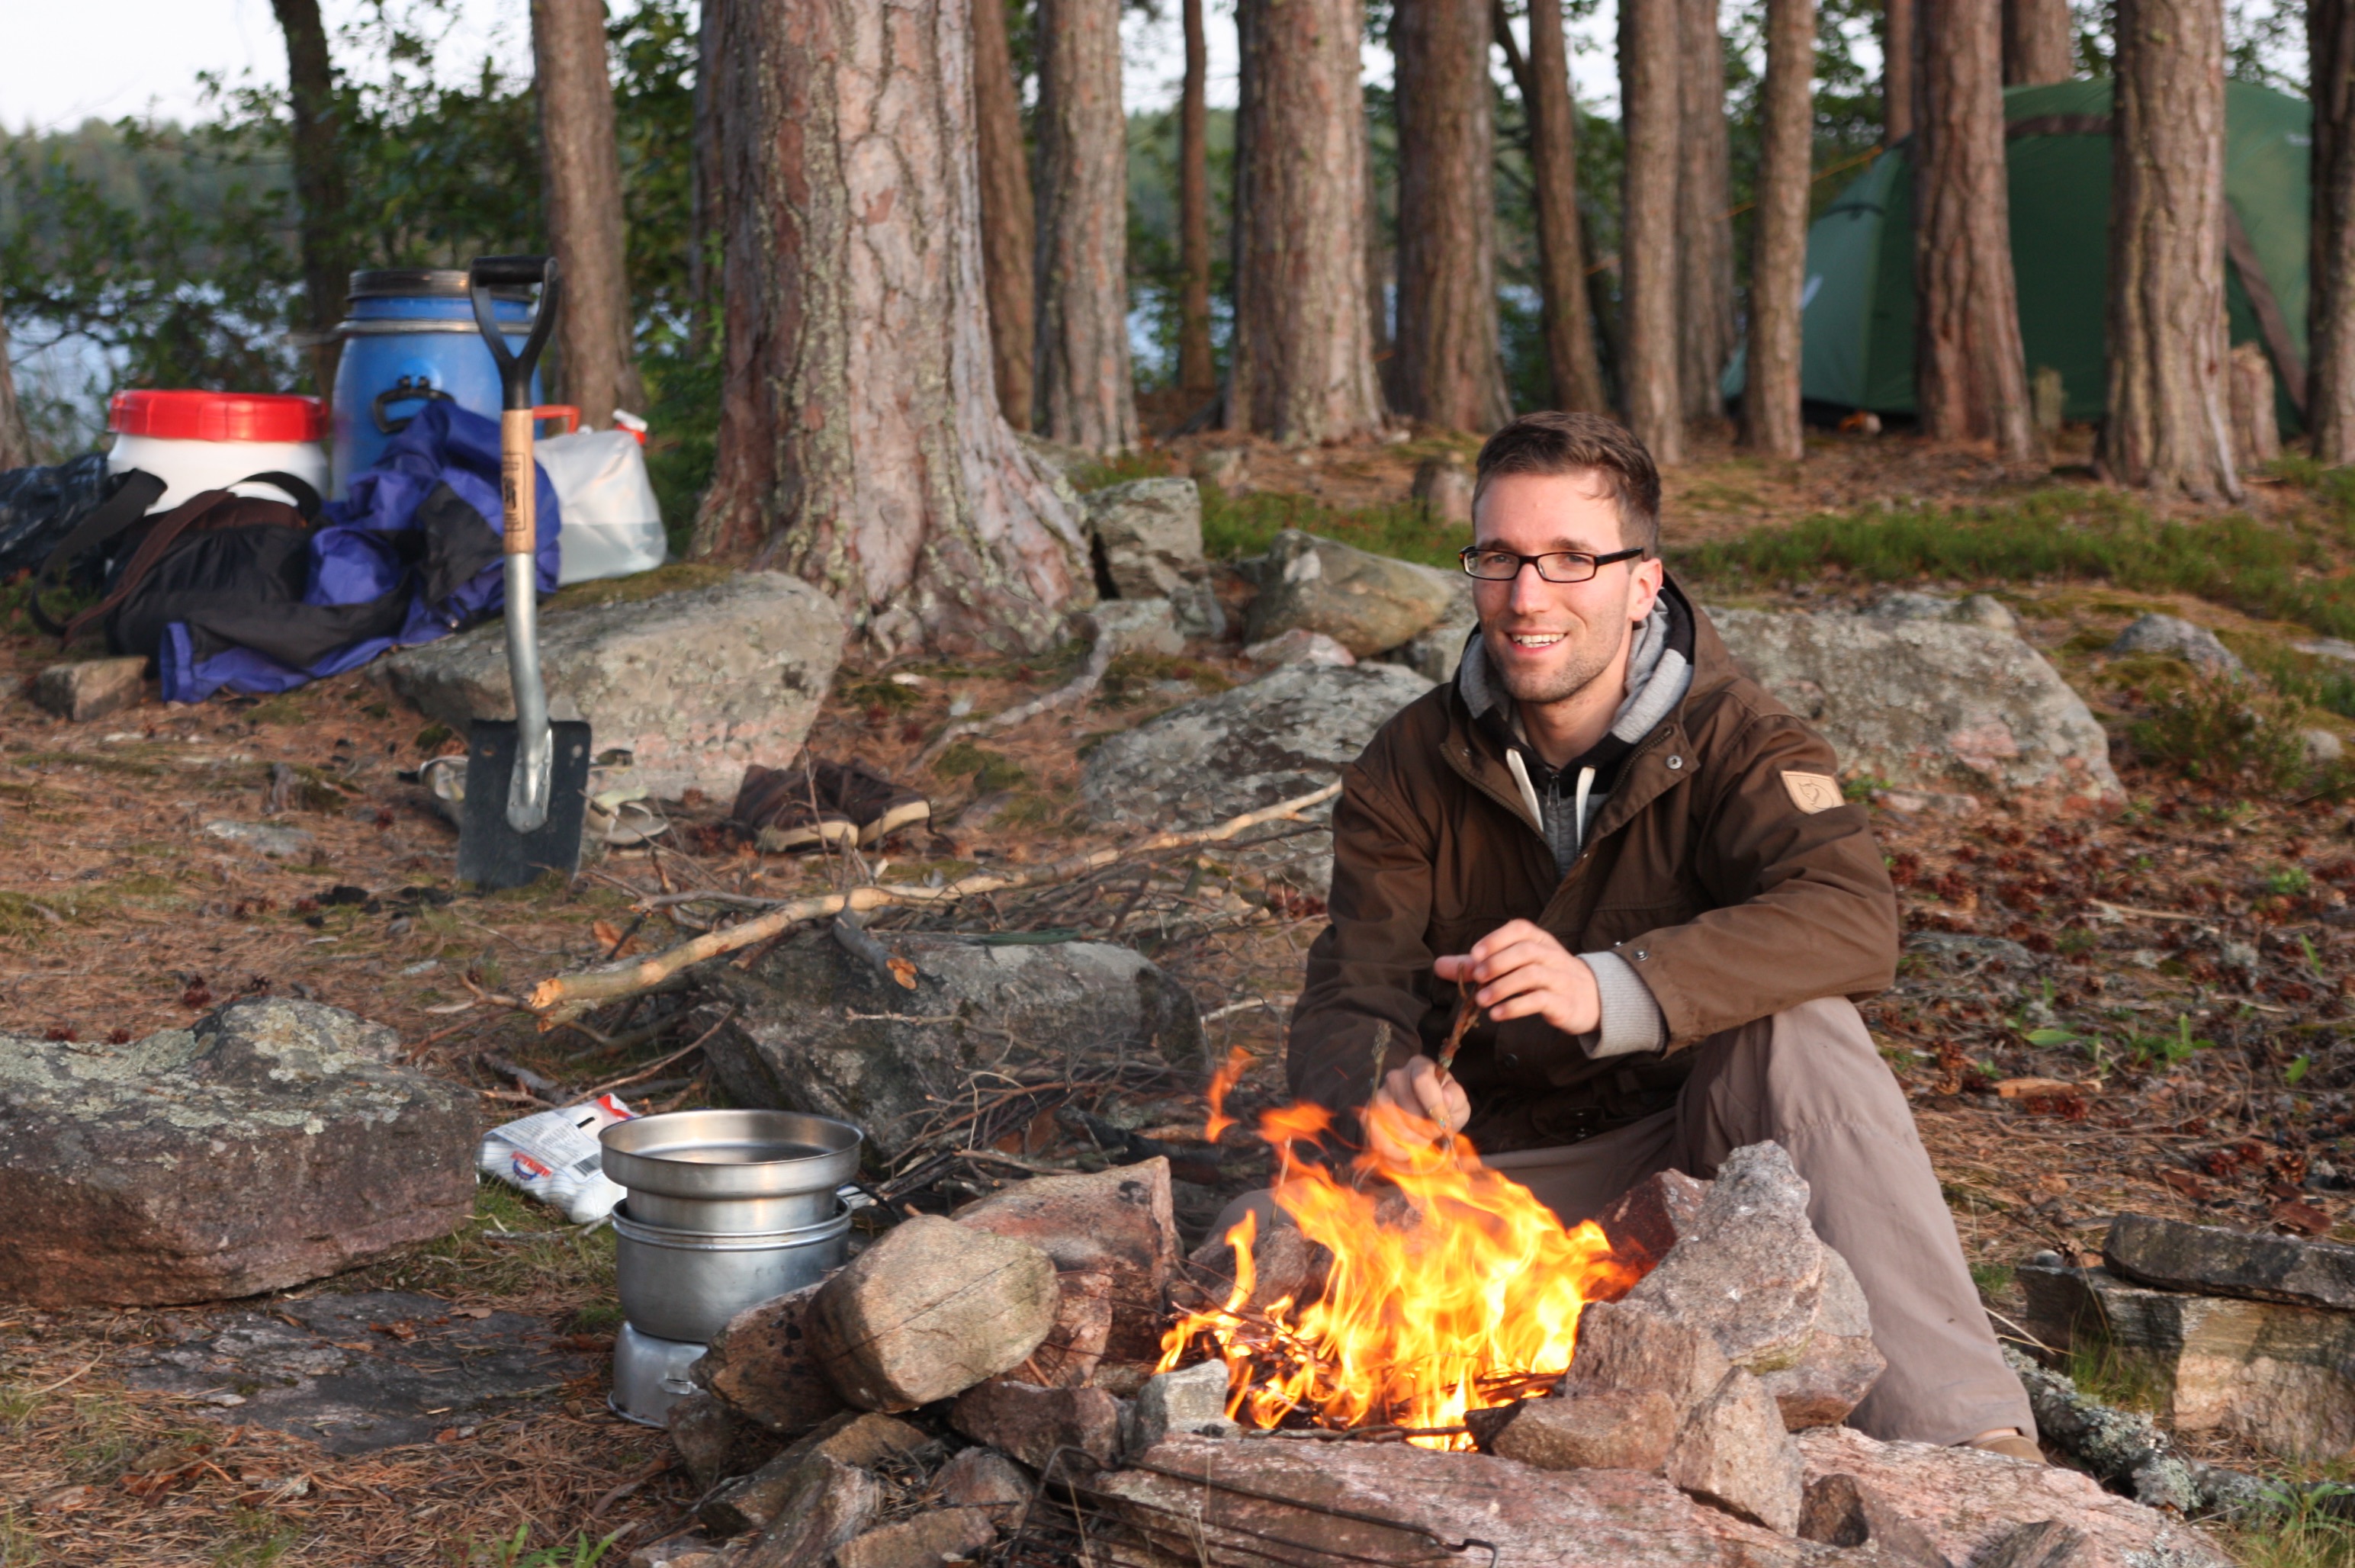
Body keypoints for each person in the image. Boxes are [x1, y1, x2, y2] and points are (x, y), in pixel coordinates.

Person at [1278, 411, 2038, 1457]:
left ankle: (1970, 1452)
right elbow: (1351, 988)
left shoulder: (1743, 741)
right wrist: (1387, 1086)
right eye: (1498, 557)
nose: (1527, 596)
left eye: (1571, 559)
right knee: (1267, 1248)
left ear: (1643, 581)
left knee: (1802, 1034)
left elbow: (1853, 917)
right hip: (1495, 1178)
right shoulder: (1407, 762)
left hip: (1693, 1162)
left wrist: (1611, 989)